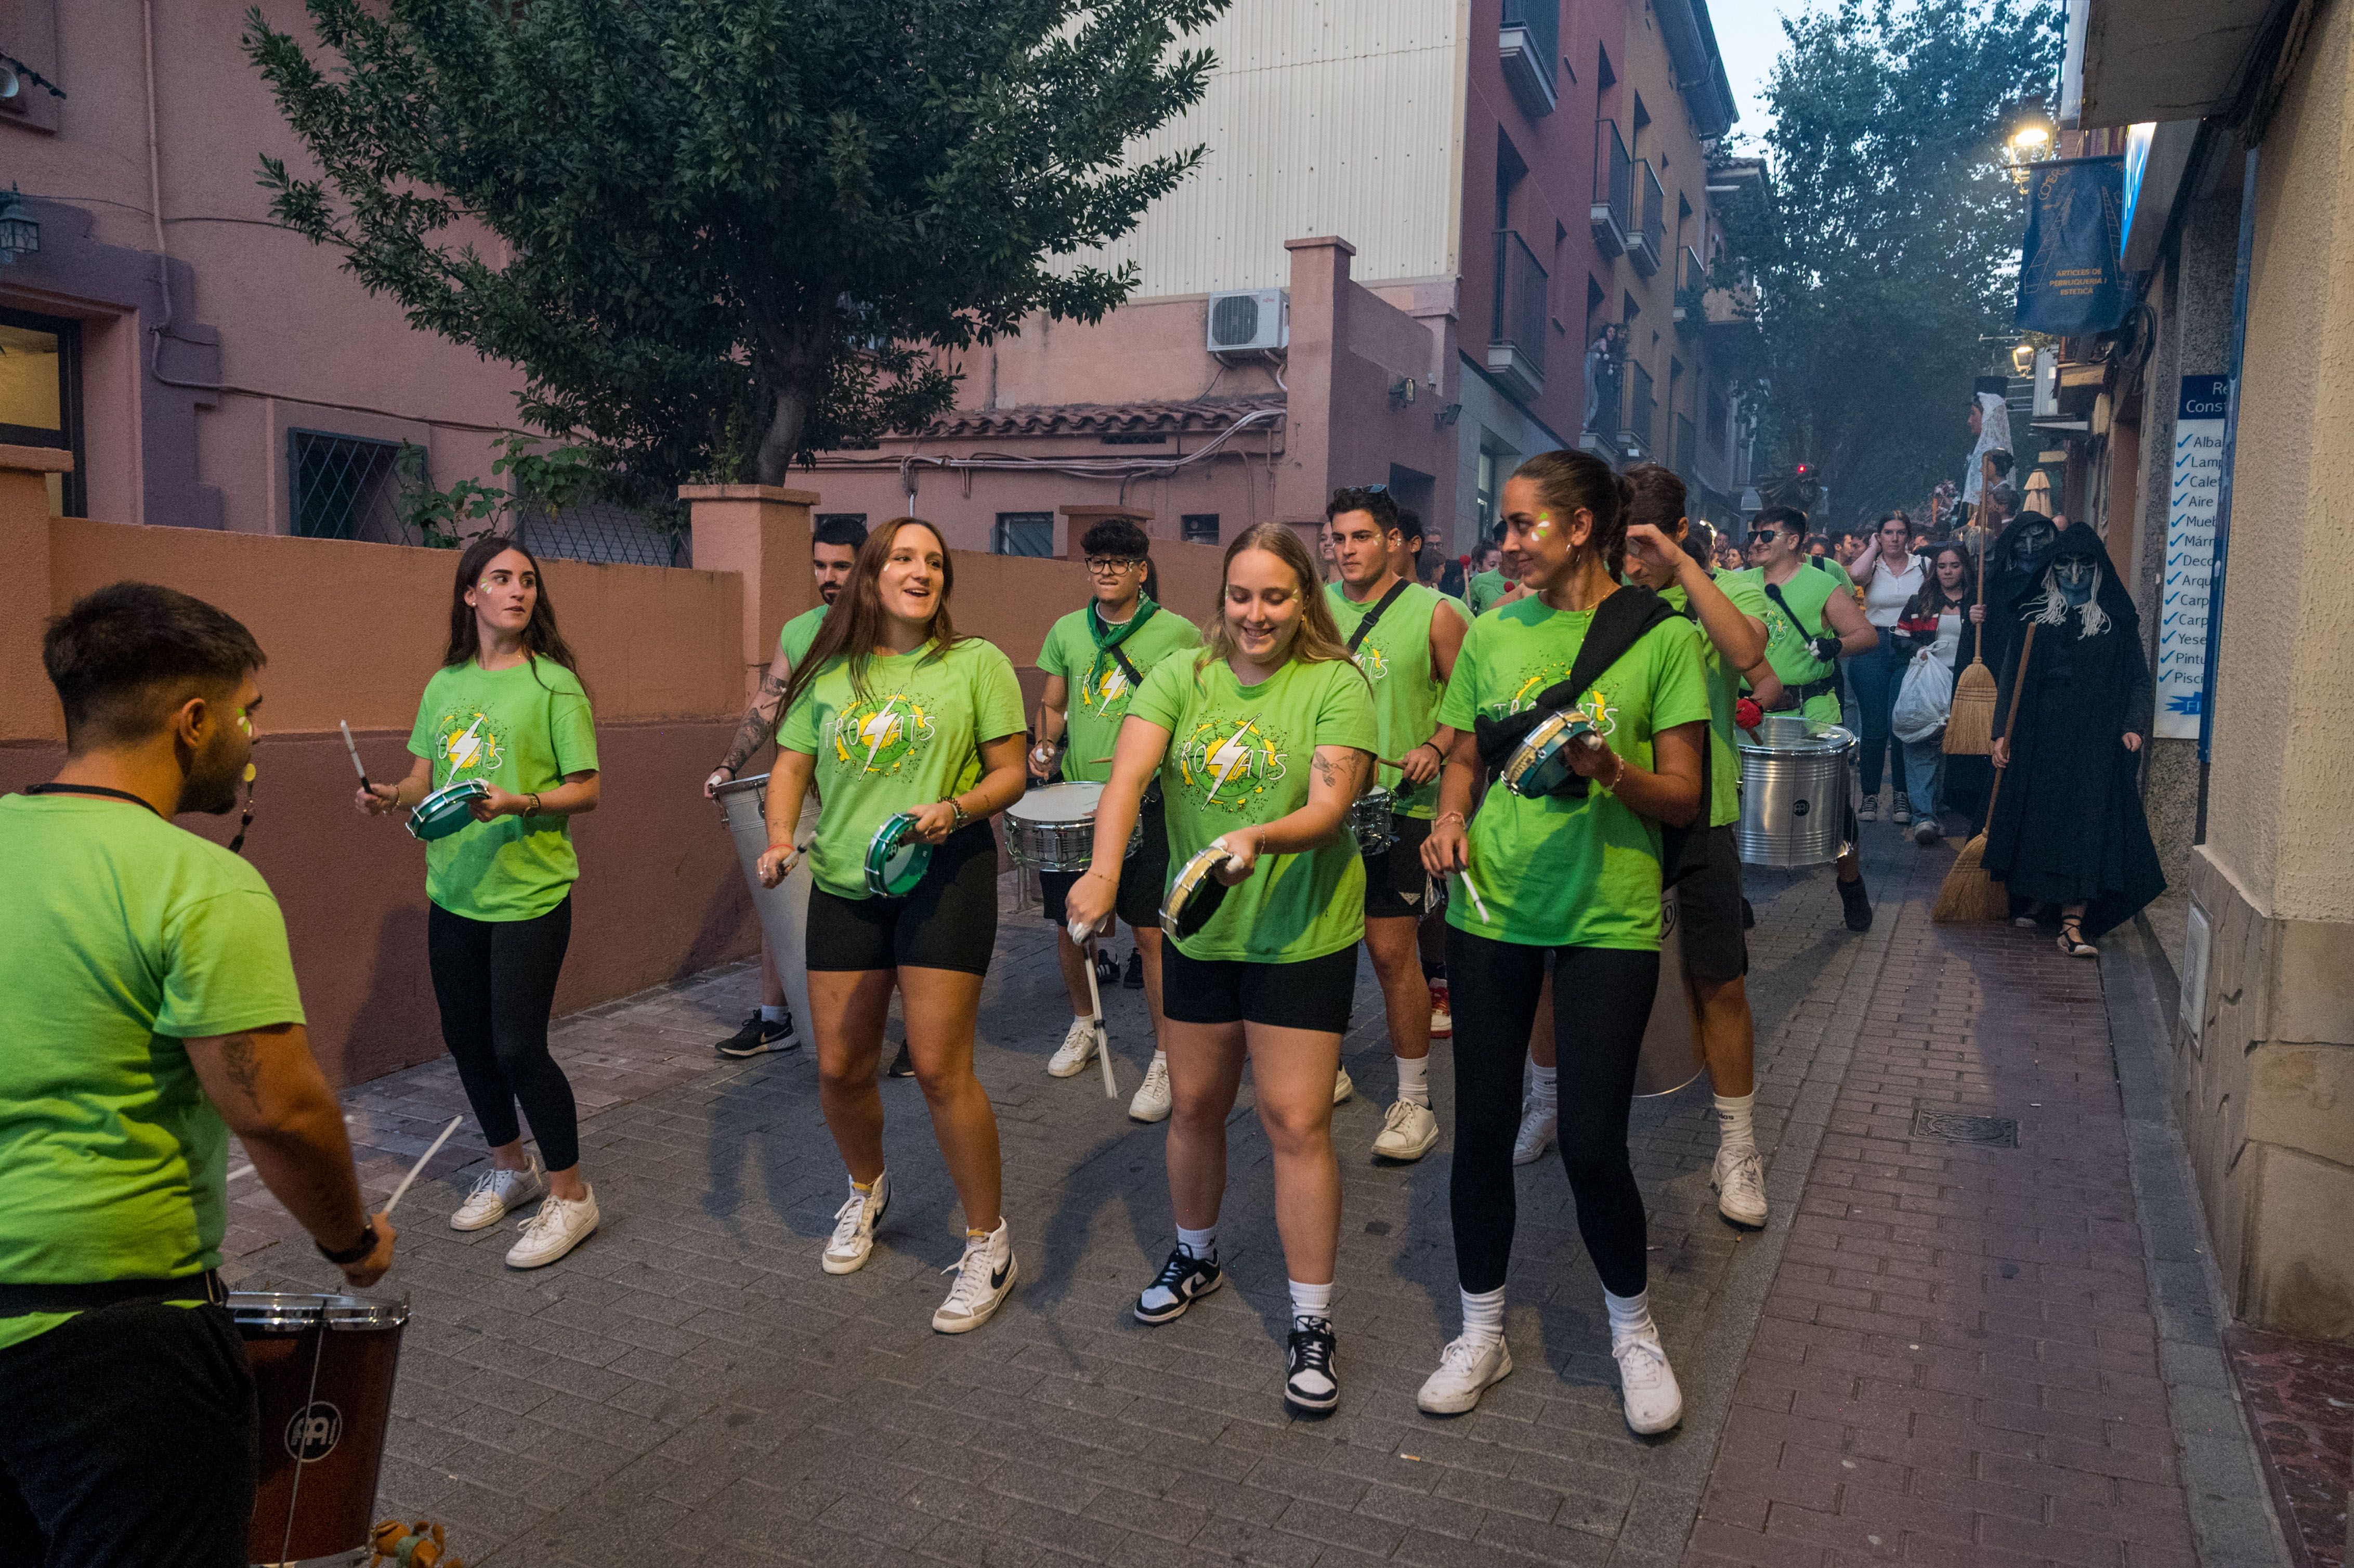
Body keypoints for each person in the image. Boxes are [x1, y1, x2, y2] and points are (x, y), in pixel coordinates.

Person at [2, 583, 396, 1566]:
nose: (252, 740)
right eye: (246, 714)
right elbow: (281, 1115)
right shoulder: (197, 882)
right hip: (115, 1341)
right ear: (193, 721)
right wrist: (352, 1241)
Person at [1414, 449, 1709, 1433]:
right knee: (1482, 1136)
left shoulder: (1659, 639)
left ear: (1580, 527)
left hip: (1607, 919)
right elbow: (1462, 758)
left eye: (1520, 526)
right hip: (1490, 910)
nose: (1504, 544)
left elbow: (1683, 796)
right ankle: (1480, 1332)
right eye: (1503, 527)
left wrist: (1606, 769)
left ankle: (1632, 1331)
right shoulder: (1493, 634)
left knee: (1590, 1142)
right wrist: (1449, 818)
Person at [1069, 522, 1377, 1417]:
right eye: (1240, 595)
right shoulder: (1183, 675)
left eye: (1275, 596)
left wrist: (1255, 837)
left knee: (1292, 1120)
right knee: (1196, 1105)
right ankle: (1195, 1253)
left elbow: (1327, 807)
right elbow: (1126, 780)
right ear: (1221, 599)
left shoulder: (1335, 683)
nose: (1254, 613)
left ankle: (1311, 1319)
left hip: (1300, 933)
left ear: (1303, 601)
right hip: (1199, 928)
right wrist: (1099, 869)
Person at [751, 519, 1028, 1330]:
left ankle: (989, 1243)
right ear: (872, 577)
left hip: (947, 872)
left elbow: (1010, 770)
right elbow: (791, 769)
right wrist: (778, 840)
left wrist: (956, 808)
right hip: (846, 878)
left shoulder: (974, 664)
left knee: (941, 1069)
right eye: (904, 559)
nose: (922, 571)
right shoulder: (828, 674)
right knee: (839, 1067)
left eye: (935, 561)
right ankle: (867, 1189)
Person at [358, 537, 604, 1268]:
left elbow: (586, 789)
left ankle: (573, 1197)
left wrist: (522, 801)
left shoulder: (555, 685)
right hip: (455, 891)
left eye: (527, 580)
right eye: (500, 579)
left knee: (518, 1046)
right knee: (466, 1039)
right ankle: (510, 1168)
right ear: (471, 595)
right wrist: (386, 796)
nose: (517, 591)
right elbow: (421, 782)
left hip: (529, 893)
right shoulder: (445, 686)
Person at [1617, 465, 1787, 1229]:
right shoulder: (1604, 596)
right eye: (1621, 547)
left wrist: (1683, 569)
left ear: (1679, 534)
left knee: (1719, 982)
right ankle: (1552, 1100)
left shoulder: (1730, 591)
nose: (1632, 563)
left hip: (1702, 814)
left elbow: (1755, 660)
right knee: (1577, 977)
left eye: (1645, 546)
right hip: (1613, 816)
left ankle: (1738, 1149)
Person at [1029, 517, 1200, 1119]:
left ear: (1141, 570)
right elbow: (1052, 705)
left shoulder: (1178, 633)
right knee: (1074, 925)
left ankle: (1164, 1055)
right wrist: (1045, 747)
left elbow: (1198, 708)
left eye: (1119, 561)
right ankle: (1084, 1024)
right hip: (1079, 802)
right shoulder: (1066, 631)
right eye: (1096, 561)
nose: (1106, 570)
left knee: (1151, 932)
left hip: (1150, 802)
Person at [1324, 487, 1469, 1161]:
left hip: (1401, 809)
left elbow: (1469, 709)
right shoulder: (1310, 607)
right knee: (1319, 945)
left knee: (1389, 952)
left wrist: (1433, 748)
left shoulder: (1437, 613)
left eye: (1360, 537)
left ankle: (1416, 1099)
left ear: (1392, 540)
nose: (1348, 550)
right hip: (1323, 805)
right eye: (1339, 538)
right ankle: (1330, 1065)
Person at [704, 514, 870, 1057]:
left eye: (841, 565)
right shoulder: (800, 630)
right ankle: (778, 1017)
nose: (829, 575)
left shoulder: (888, 625)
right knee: (781, 896)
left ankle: (913, 1028)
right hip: (804, 792)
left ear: (864, 563)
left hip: (867, 791)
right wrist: (728, 766)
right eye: (820, 564)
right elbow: (768, 701)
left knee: (877, 907)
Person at [1986, 522, 2165, 955]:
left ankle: (2073, 921)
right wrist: (2000, 734)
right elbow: (2012, 677)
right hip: (2039, 736)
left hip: (2096, 740)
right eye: (2064, 564)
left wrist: (2133, 726)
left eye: (2084, 565)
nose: (2074, 574)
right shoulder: (2033, 617)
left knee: (2088, 824)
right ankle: (2039, 898)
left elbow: (2139, 681)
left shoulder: (2117, 623)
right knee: (2042, 818)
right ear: (2052, 568)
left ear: (2097, 568)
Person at [1721, 505, 1878, 931]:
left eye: (1766, 535)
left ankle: (1851, 885)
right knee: (1729, 805)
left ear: (1793, 541)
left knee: (1834, 810)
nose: (1755, 542)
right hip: (1747, 708)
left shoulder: (1822, 585)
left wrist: (1835, 647)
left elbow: (1866, 634)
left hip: (1809, 710)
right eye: (1753, 534)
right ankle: (1734, 897)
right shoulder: (1736, 584)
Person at [1891, 542, 1986, 844]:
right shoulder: (1921, 601)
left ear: (1965, 568)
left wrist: (1975, 623)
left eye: (1954, 566)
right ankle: (1923, 817)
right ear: (1935, 570)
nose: (1948, 571)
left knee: (1950, 747)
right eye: (1942, 566)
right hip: (1928, 684)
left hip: (1965, 684)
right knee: (1922, 742)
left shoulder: (1978, 602)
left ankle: (1937, 807)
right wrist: (1919, 651)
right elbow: (1899, 638)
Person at [1847, 510, 1926, 826]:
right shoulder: (1872, 566)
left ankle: (1901, 795)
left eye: (1900, 532)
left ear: (1909, 536)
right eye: (1888, 533)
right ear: (1880, 536)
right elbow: (1853, 577)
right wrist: (1872, 548)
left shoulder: (1925, 566)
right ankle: (1869, 795)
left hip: (1910, 646)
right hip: (1873, 645)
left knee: (1901, 726)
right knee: (1875, 726)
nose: (1895, 538)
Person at [1466, 537, 1510, 616]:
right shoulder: (1477, 582)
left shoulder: (1512, 580)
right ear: (1479, 566)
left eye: (1501, 564)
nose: (1497, 569)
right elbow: (1463, 612)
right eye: (1492, 565)